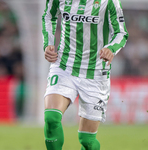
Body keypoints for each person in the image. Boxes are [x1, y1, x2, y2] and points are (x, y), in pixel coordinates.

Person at [42, 0, 128, 149]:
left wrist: (111, 48)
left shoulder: (109, 2)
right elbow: (49, 16)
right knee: (51, 117)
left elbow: (121, 32)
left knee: (87, 141)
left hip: (95, 73)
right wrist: (48, 42)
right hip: (64, 66)